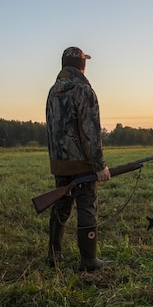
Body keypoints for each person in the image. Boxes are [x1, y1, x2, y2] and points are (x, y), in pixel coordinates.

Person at [45, 46, 112, 271]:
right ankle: (89, 260)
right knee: (86, 206)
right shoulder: (84, 90)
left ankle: (54, 254)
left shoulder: (53, 91)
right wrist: (99, 165)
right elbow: (91, 132)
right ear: (82, 65)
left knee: (60, 207)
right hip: (82, 163)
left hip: (60, 162)